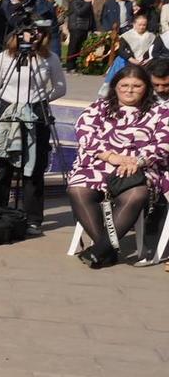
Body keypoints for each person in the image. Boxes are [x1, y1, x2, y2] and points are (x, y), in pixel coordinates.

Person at [67, 65, 169, 267]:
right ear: (115, 86)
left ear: (146, 88)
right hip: (98, 164)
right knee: (78, 189)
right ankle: (106, 249)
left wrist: (138, 161)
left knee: (136, 194)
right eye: (124, 85)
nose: (129, 90)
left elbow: (163, 143)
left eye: (136, 86)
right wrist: (112, 157)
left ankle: (100, 250)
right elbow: (84, 134)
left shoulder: (161, 111)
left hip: (139, 168)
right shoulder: (98, 107)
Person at [0, 10, 65, 230]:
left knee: (34, 167)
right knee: (2, 166)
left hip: (37, 112)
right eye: (29, 32)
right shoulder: (4, 57)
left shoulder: (49, 58)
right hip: (7, 110)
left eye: (39, 32)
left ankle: (33, 218)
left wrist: (40, 100)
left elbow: (60, 88)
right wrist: (13, 103)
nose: (34, 36)